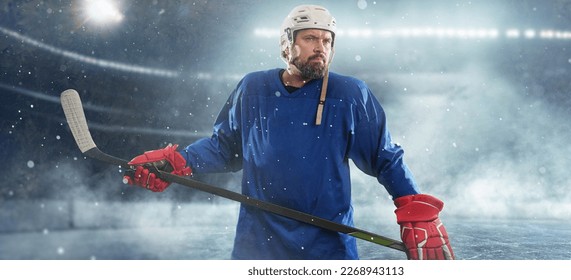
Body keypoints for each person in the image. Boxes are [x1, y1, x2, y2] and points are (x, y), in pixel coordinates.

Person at [123, 4, 454, 260]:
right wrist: (178, 163)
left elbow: (384, 157)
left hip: (328, 248)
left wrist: (411, 204)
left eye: (327, 40)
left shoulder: (350, 93)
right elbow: (225, 148)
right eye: (310, 38)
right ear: (287, 43)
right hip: (258, 244)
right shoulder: (252, 87)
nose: (320, 47)